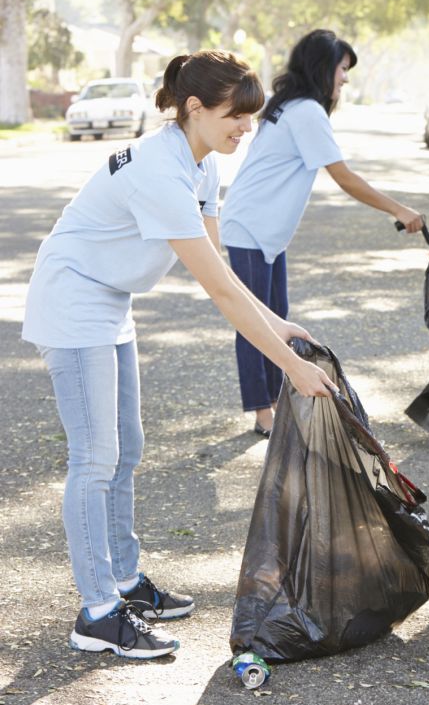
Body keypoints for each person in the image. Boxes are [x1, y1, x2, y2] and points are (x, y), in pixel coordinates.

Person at [22, 50, 337, 660]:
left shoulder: (201, 164)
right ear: (195, 108)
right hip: (73, 299)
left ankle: (124, 580)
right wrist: (290, 369)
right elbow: (217, 290)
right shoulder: (159, 172)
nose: (245, 128)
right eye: (234, 116)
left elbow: (221, 269)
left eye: (250, 116)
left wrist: (278, 325)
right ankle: (97, 612)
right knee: (95, 457)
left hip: (110, 300)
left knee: (127, 447)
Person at [220, 29, 424, 437]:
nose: (345, 79)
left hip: (263, 230)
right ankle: (263, 413)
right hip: (250, 227)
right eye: (342, 69)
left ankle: (276, 404)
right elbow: (343, 177)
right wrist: (399, 208)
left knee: (276, 321)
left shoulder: (292, 105)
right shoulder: (306, 111)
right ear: (323, 68)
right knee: (255, 322)